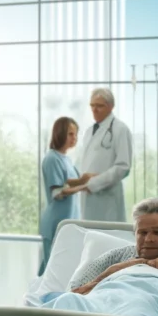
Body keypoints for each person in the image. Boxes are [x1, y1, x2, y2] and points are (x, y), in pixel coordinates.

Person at [67, 198, 158, 294]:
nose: (148, 239)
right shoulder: (114, 258)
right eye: (143, 233)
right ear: (134, 234)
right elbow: (77, 290)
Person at [39, 117, 87, 276]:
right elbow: (58, 192)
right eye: (71, 134)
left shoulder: (65, 158)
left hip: (67, 221)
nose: (75, 138)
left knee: (58, 269)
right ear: (60, 134)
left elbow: (69, 181)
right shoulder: (52, 158)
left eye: (76, 134)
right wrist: (84, 186)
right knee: (51, 270)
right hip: (55, 222)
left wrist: (87, 179)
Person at [77, 88, 133, 222]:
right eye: (92, 105)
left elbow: (123, 167)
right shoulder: (89, 131)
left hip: (107, 198)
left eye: (99, 106)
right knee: (90, 237)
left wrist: (95, 183)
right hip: (88, 197)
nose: (94, 110)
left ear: (111, 107)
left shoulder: (120, 129)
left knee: (109, 238)